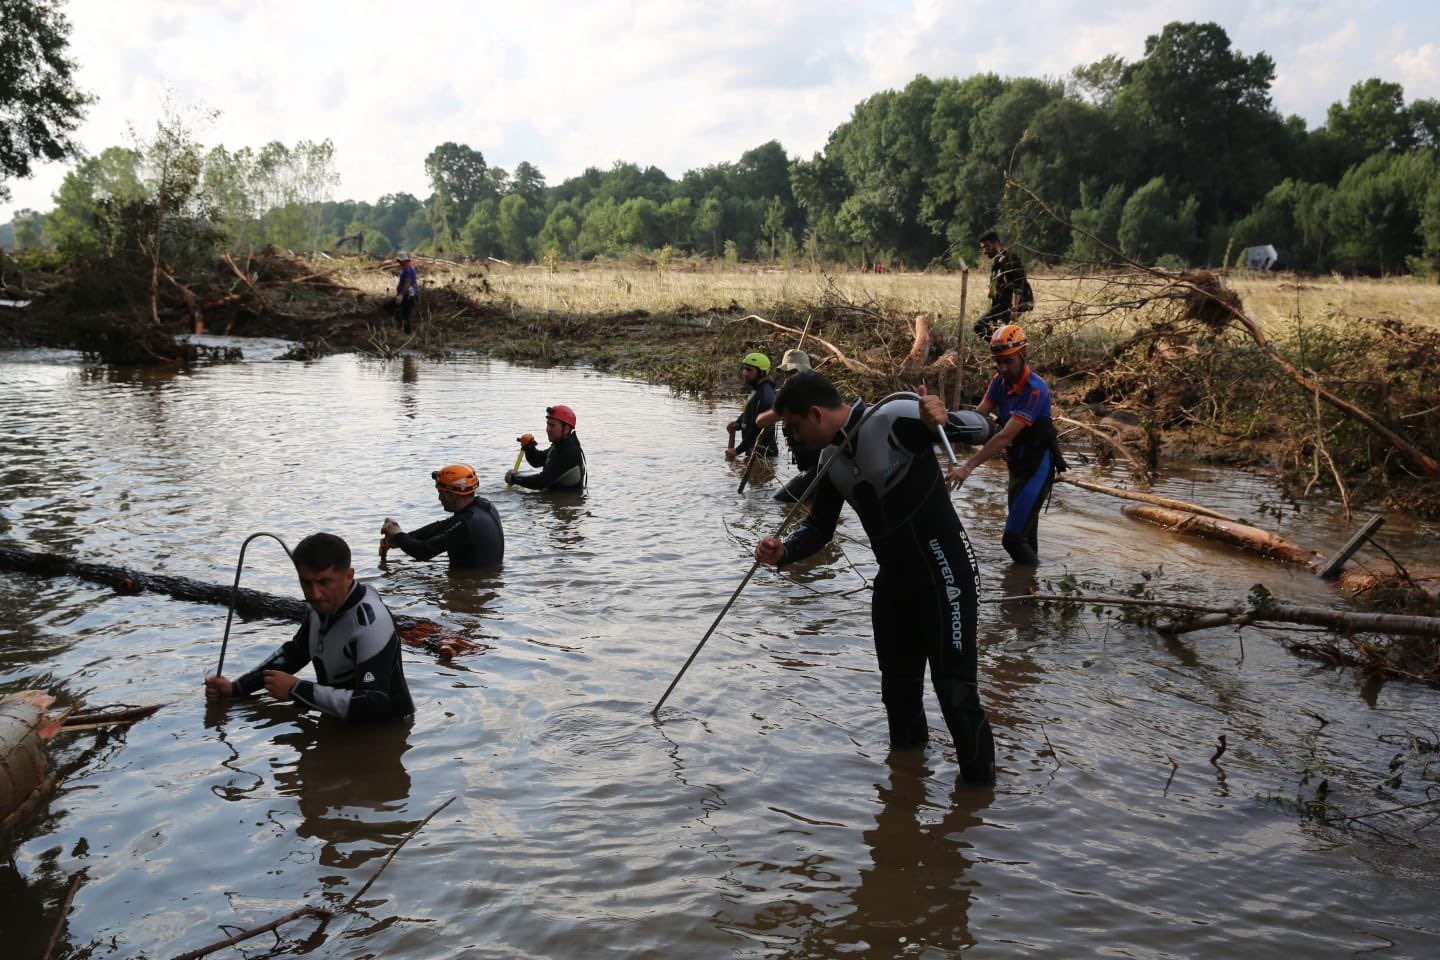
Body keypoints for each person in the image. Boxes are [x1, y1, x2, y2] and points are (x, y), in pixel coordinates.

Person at [754, 372, 996, 786]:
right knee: (898, 699)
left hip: (946, 577)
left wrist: (942, 416)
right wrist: (785, 552)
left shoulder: (895, 417)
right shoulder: (830, 459)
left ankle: (977, 809)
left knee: (956, 696)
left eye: (794, 428)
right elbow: (819, 528)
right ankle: (904, 797)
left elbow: (981, 428)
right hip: (894, 588)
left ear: (815, 413)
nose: (794, 438)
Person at [204, 532, 415, 723]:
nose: (314, 594)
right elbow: (294, 654)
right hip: (340, 722)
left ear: (349, 576)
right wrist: (236, 688)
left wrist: (297, 690)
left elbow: (374, 703)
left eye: (325, 582)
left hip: (384, 730)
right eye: (306, 582)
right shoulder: (320, 607)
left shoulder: (370, 622)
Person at [935, 324, 1065, 566]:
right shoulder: (999, 381)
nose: (1003, 368)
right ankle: (1027, 593)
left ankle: (1036, 587)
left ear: (1024, 355)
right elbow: (980, 416)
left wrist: (968, 466)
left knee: (1013, 539)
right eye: (998, 362)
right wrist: (945, 424)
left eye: (1009, 361)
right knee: (1025, 536)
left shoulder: (1035, 390)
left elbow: (1005, 436)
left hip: (1037, 468)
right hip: (1016, 466)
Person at [381, 463, 505, 567]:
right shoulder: (484, 506)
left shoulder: (464, 524)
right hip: (487, 582)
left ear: (451, 495)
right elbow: (440, 527)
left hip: (468, 588)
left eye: (441, 493)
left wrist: (397, 534)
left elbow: (423, 552)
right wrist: (400, 539)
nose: (439, 498)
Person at [758, 348, 821, 503]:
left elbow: (762, 421)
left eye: (792, 373)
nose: (787, 378)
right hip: (816, 467)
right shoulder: (804, 389)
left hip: (822, 467)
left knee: (780, 500)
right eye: (786, 374)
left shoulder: (806, 394)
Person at [507, 404, 586, 492]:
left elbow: (541, 482)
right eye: (547, 424)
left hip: (566, 502)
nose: (548, 429)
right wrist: (529, 448)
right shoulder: (560, 445)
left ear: (566, 429)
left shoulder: (568, 451)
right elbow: (537, 461)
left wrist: (514, 479)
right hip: (560, 502)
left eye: (552, 425)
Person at [973, 230, 1032, 339]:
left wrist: (1015, 308)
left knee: (979, 326)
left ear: (996, 244)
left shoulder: (1010, 258)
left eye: (987, 246)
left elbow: (1018, 283)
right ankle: (1004, 349)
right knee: (998, 330)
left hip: (1009, 305)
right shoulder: (997, 263)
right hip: (1001, 304)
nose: (985, 251)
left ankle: (1002, 347)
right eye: (983, 248)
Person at [725, 352, 778, 462]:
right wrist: (738, 423)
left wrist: (737, 451)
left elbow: (756, 429)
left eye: (749, 370)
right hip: (753, 454)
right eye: (744, 369)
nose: (744, 373)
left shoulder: (765, 394)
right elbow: (750, 412)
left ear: (761, 372)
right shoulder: (758, 388)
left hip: (764, 457)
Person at [394, 251, 418, 333]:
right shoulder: (405, 268)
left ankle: (407, 333)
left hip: (407, 295)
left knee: (406, 315)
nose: (398, 262)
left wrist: (401, 295)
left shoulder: (408, 269)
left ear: (403, 260)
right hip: (405, 294)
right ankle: (403, 330)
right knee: (403, 314)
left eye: (399, 261)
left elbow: (407, 284)